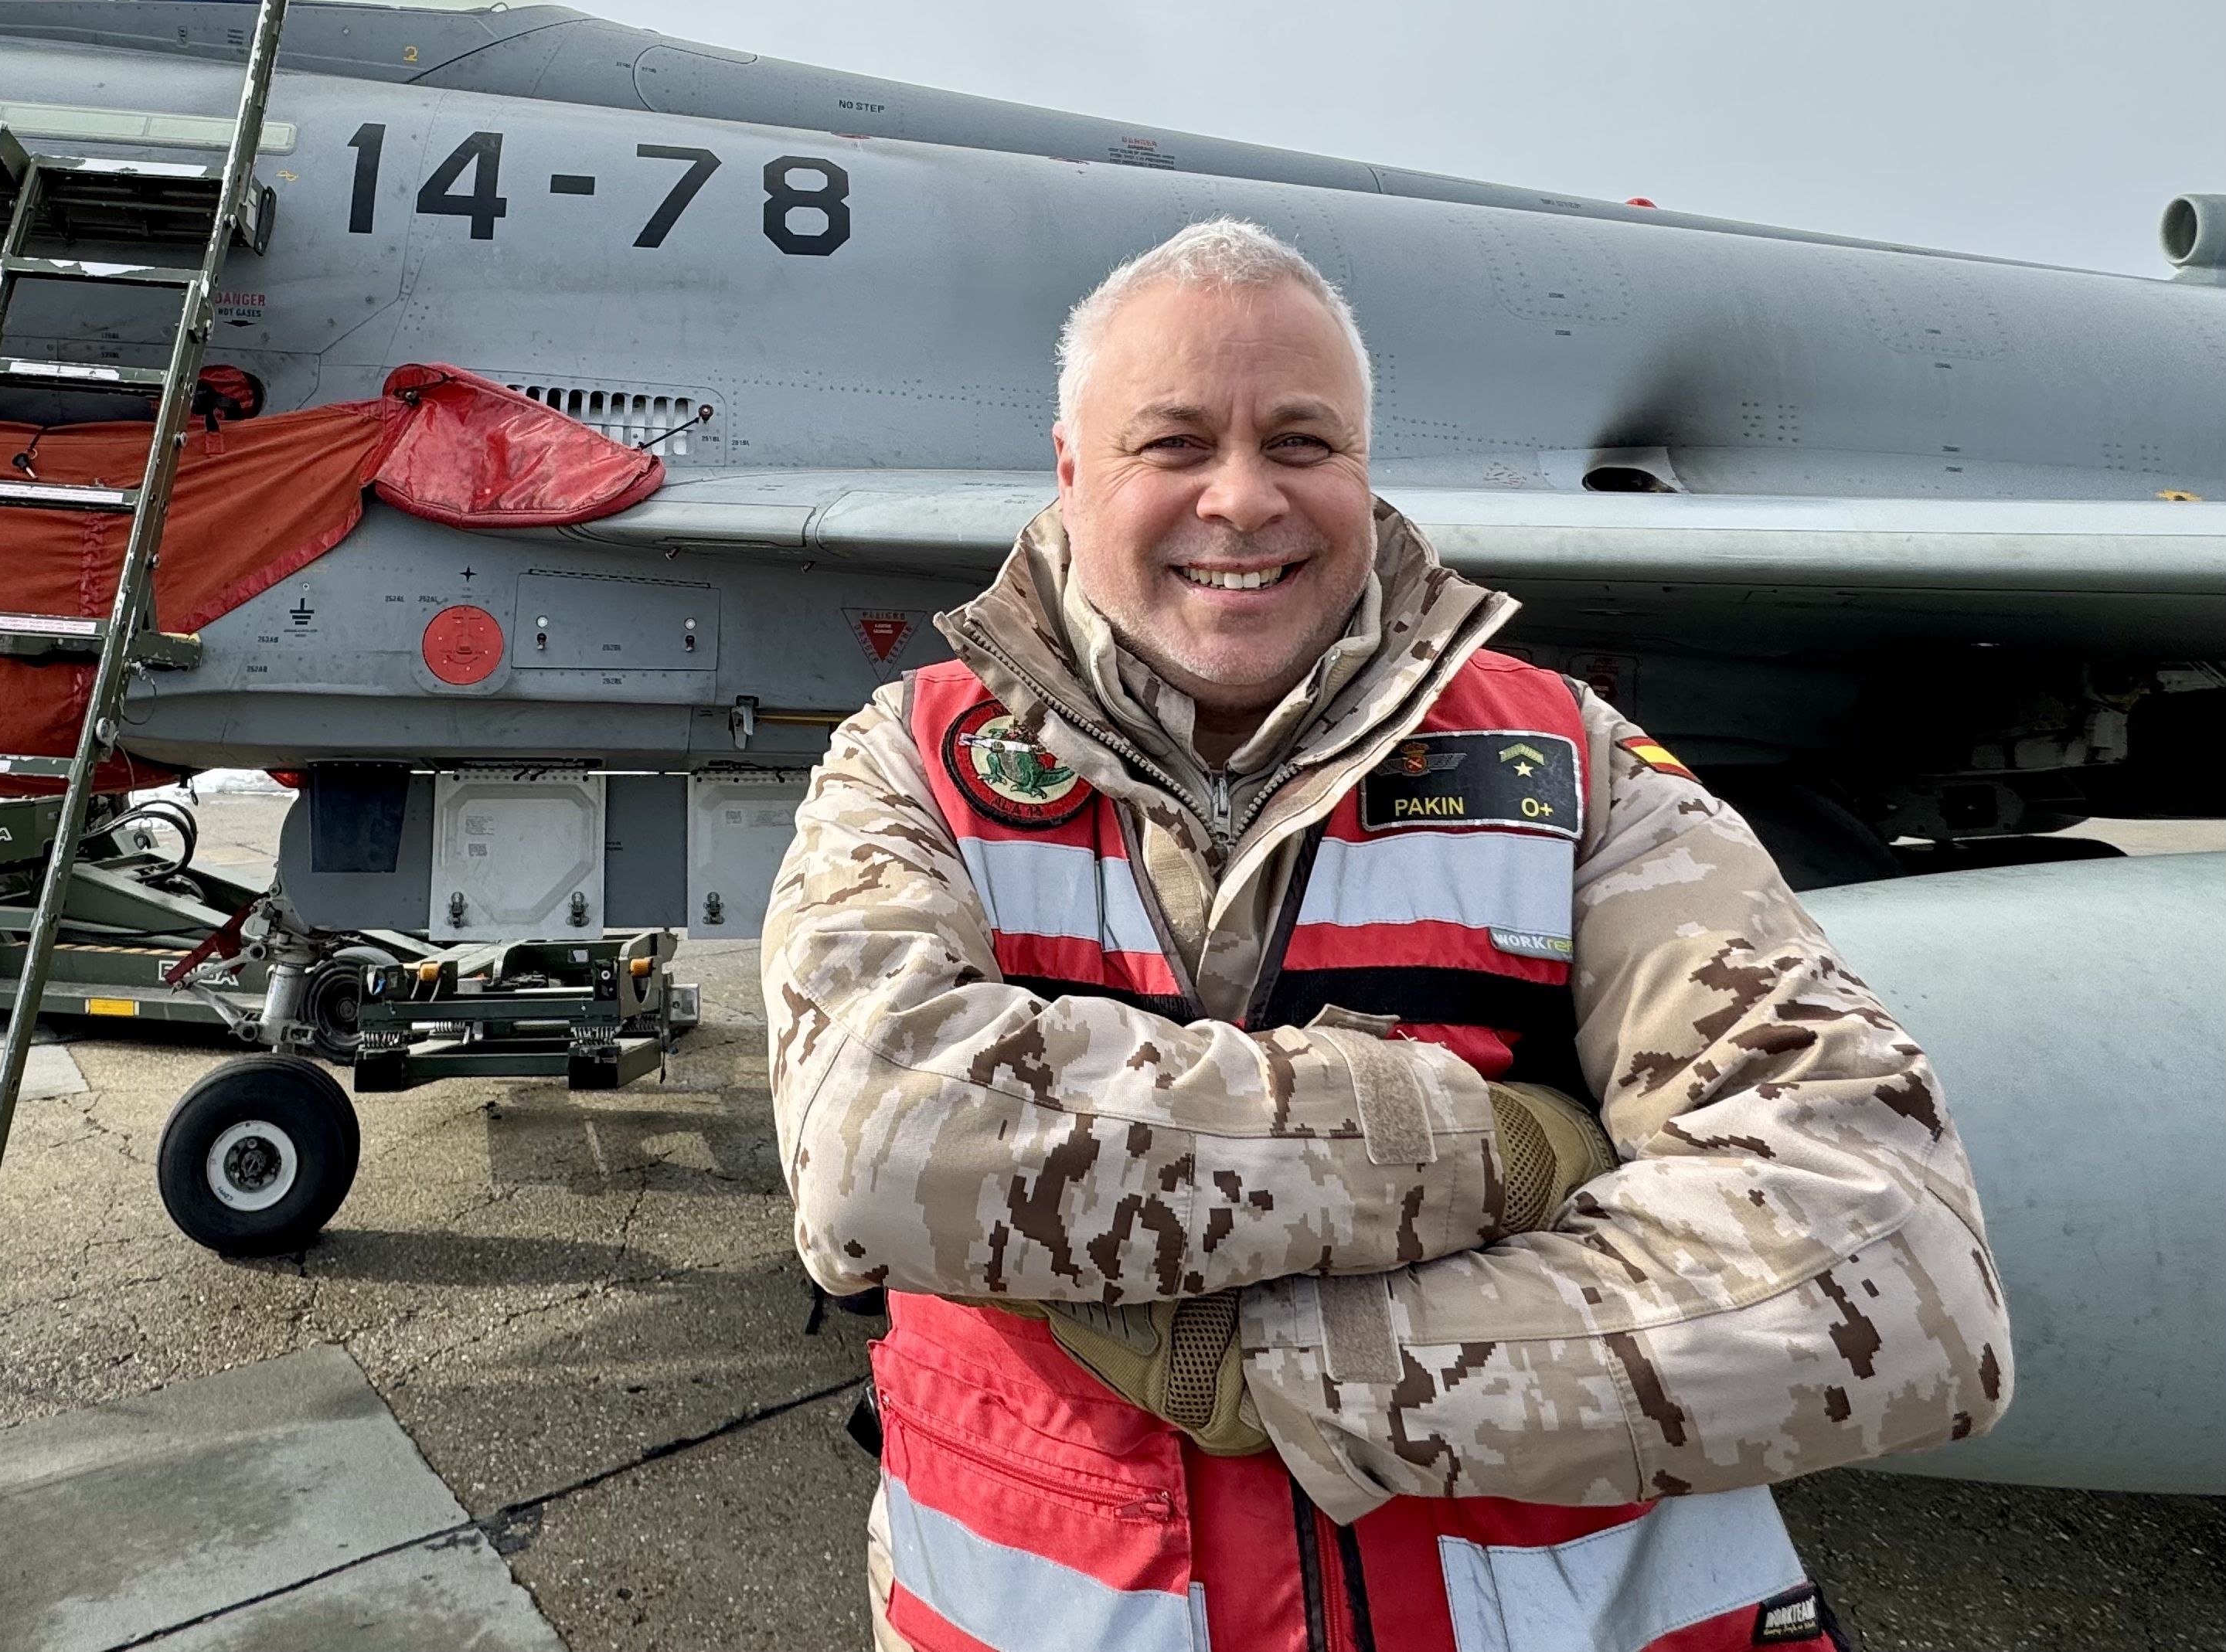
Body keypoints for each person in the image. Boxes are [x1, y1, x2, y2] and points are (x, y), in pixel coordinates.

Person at [762, 219, 2008, 1652]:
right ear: (1068, 469)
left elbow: (1895, 1273)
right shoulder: (912, 761)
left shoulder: (1568, 765)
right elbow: (873, 1151)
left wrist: (1284, 1367)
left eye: (1301, 442)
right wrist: (1494, 1150)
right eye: (1172, 443)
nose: (1243, 498)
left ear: (1361, 466)